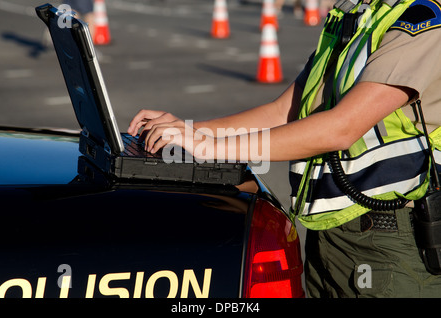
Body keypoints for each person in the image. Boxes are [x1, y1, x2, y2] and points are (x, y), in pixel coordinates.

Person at [128, 0, 441, 297]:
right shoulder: (358, 13)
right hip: (331, 233)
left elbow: (342, 127)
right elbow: (284, 110)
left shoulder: (423, 19)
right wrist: (190, 130)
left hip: (392, 240)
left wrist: (208, 147)